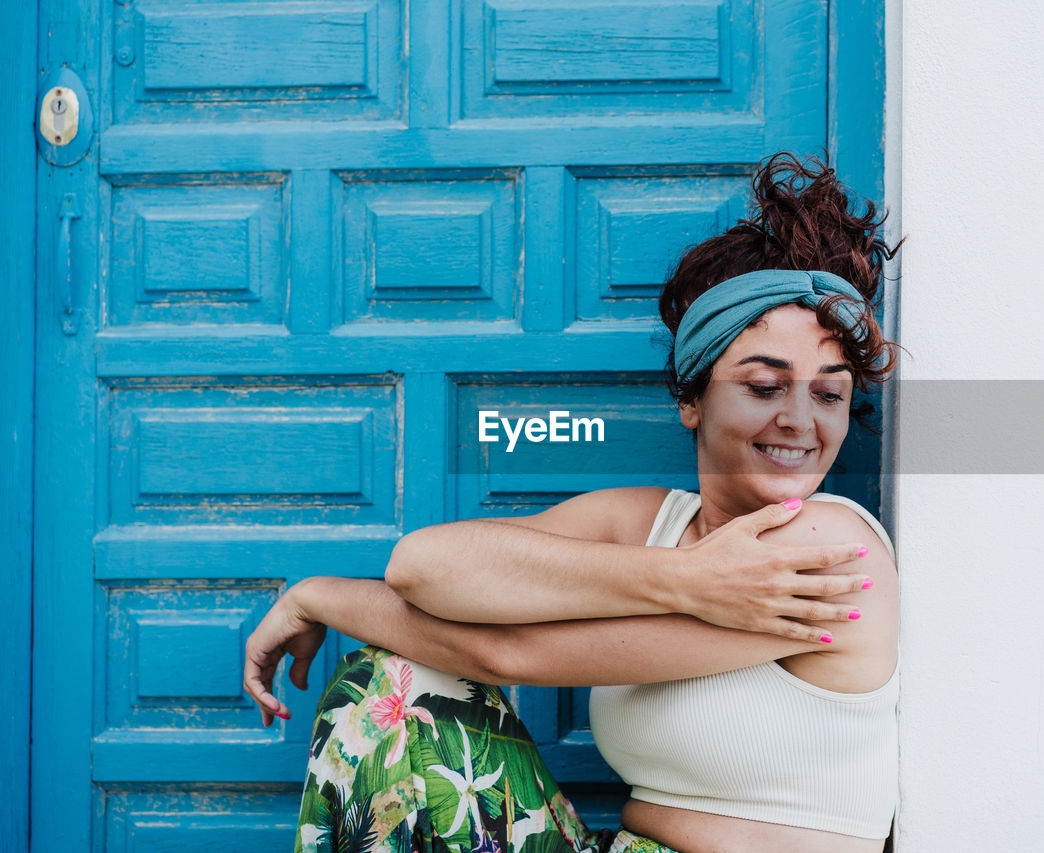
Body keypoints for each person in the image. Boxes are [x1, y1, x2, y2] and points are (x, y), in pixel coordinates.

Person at [243, 152, 902, 853]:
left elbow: (505, 651)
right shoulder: (652, 521)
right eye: (765, 387)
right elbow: (424, 565)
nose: (803, 420)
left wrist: (315, 597)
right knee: (386, 678)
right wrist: (686, 578)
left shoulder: (829, 550)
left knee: (394, 678)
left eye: (829, 393)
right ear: (691, 399)